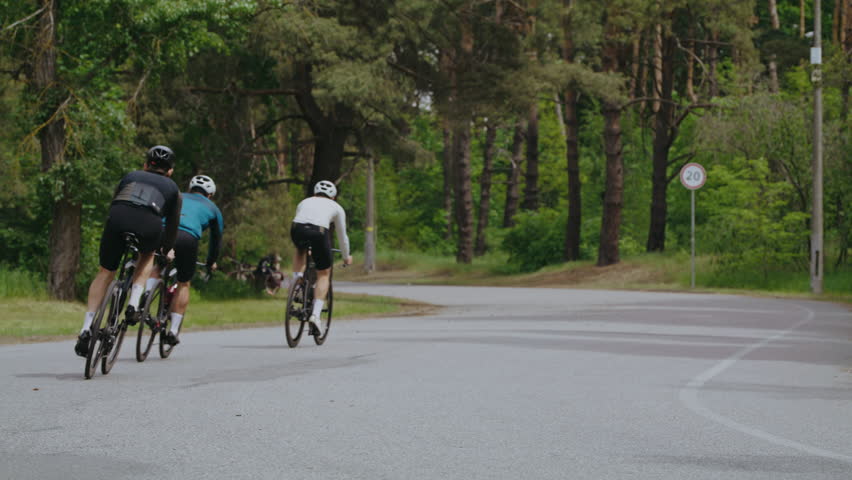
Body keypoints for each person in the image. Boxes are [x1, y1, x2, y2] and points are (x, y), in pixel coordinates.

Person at [75, 146, 182, 357]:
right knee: (147, 256)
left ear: (145, 165)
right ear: (170, 171)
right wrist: (166, 249)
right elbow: (172, 225)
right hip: (149, 224)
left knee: (105, 271)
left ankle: (86, 327)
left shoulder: (130, 176)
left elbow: (115, 200)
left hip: (117, 218)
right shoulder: (173, 188)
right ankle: (133, 304)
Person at [148, 174, 224, 346]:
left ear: (190, 188)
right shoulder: (213, 208)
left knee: (157, 267)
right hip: (187, 239)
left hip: (164, 232)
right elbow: (216, 240)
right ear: (210, 194)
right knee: (184, 282)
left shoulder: (177, 195)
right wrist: (211, 261)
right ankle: (173, 331)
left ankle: (146, 296)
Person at [290, 180, 353, 335]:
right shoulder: (336, 207)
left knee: (300, 251)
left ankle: (296, 284)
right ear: (333, 197)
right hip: (319, 231)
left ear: (314, 193)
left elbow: (301, 219)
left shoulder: (304, 201)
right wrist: (346, 256)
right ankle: (316, 316)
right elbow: (342, 236)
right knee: (324, 273)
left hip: (297, 229)